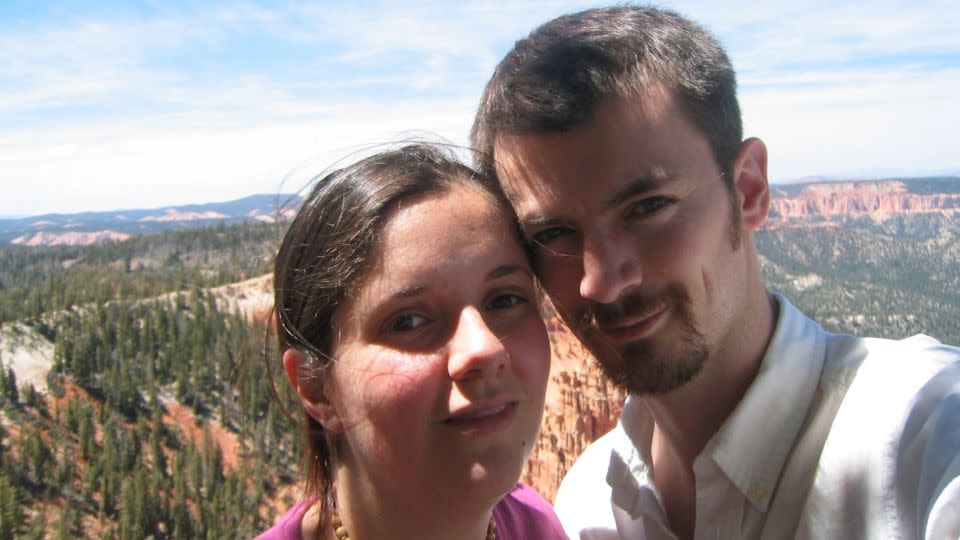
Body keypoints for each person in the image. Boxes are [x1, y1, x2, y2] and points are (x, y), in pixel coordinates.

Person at [471, 5, 960, 540]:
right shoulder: (589, 504)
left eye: (648, 207)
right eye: (553, 234)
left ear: (748, 190)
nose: (603, 281)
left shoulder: (925, 434)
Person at [257, 144, 568, 540]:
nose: (484, 348)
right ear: (317, 388)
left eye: (505, 299)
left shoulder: (537, 526)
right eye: (408, 321)